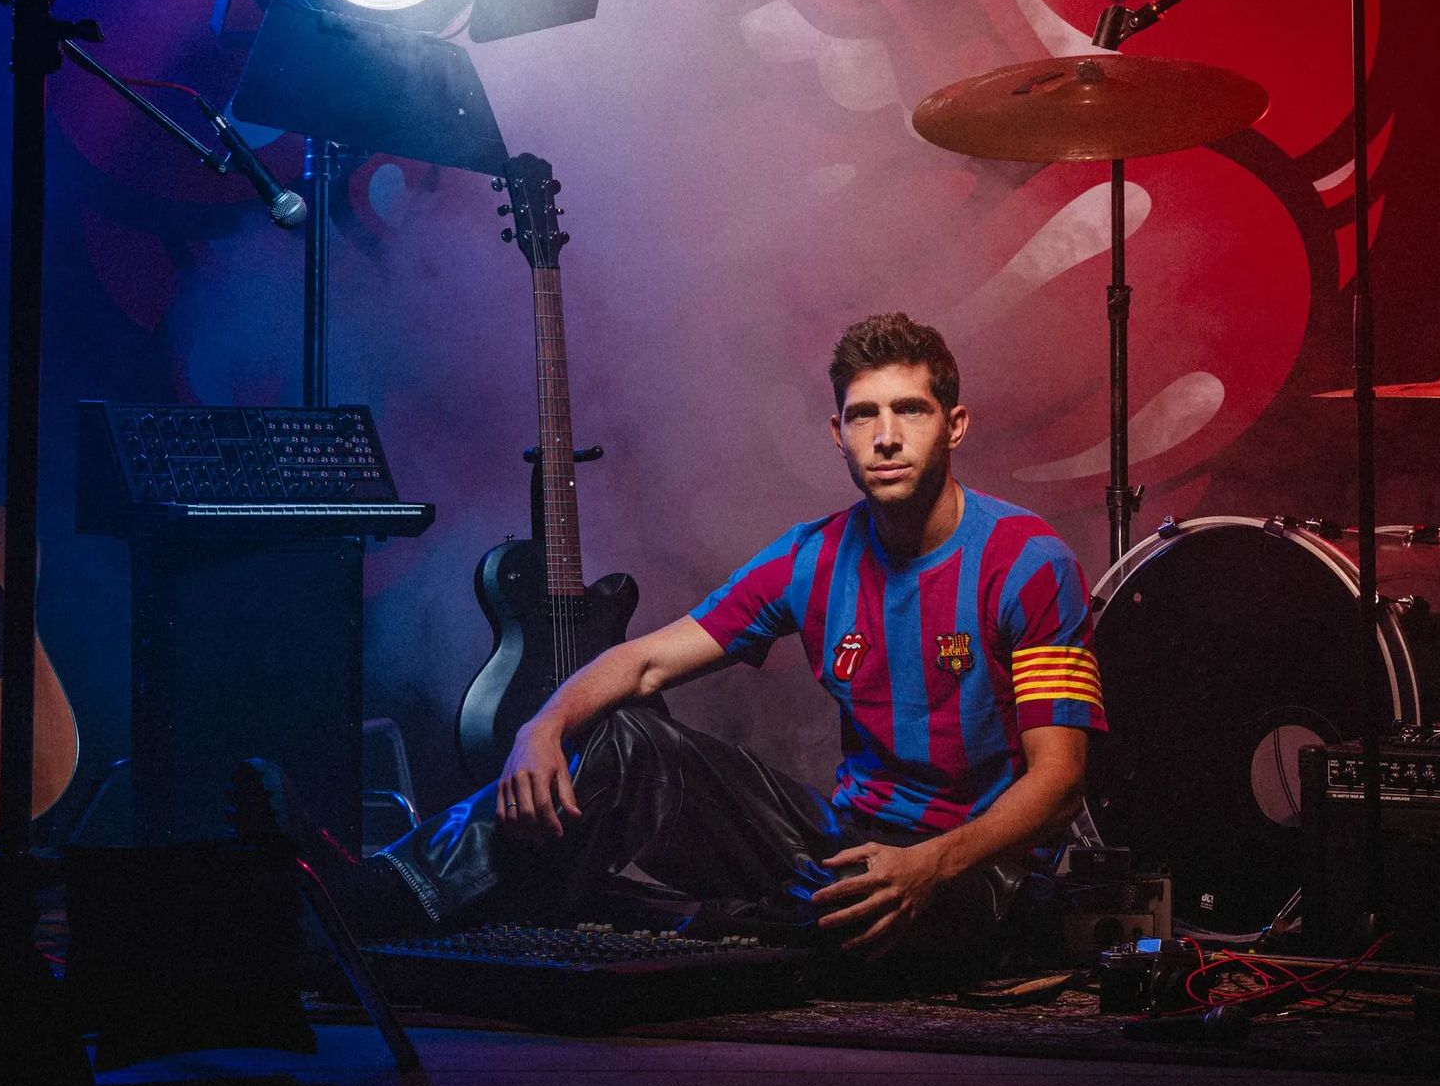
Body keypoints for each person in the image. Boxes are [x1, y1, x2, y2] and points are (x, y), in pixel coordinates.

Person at [237, 312, 1105, 977]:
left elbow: (1060, 780)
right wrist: (542, 727)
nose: (885, 435)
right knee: (624, 738)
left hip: (975, 872)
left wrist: (928, 866)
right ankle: (368, 899)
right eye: (863, 414)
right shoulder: (812, 556)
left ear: (954, 425)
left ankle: (515, 915)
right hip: (847, 842)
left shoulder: (1026, 562)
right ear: (836, 433)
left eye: (910, 410)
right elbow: (644, 661)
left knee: (825, 930)